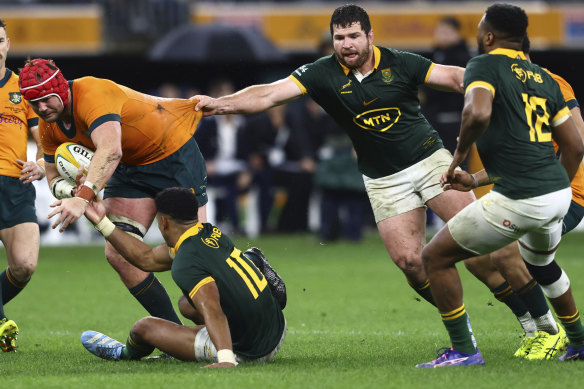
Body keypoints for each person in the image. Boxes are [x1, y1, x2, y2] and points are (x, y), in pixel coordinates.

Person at [193, 4, 533, 330]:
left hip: (430, 162)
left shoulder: (401, 62)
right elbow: (268, 94)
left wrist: (497, 88)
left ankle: (535, 322)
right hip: (383, 179)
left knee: (478, 248)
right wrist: (220, 105)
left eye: (354, 36)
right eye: (339, 38)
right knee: (411, 264)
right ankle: (462, 330)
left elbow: (457, 77)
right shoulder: (321, 73)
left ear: (370, 36)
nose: (347, 44)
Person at [417, 3, 584, 367]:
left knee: (438, 256)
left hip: (563, 189)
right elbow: (540, 150)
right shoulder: (538, 79)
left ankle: (489, 345)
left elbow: (477, 115)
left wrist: (459, 154)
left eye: (479, 30)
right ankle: (564, 336)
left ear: (489, 37)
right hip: (550, 188)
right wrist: (477, 178)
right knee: (499, 262)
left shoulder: (493, 68)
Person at [18, 58, 208, 327]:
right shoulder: (48, 123)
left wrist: (82, 198)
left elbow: (110, 150)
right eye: (34, 103)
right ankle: (174, 333)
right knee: (118, 253)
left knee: (194, 251)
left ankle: (220, 329)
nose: (41, 108)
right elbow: (51, 177)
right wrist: (72, 190)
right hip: (130, 169)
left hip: (171, 154)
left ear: (60, 89)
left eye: (46, 99)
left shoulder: (92, 92)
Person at [73, 187, 286, 367]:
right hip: (276, 326)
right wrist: (101, 222)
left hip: (251, 351)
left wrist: (226, 359)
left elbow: (212, 308)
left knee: (143, 328)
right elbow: (146, 258)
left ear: (163, 222)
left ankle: (123, 354)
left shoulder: (186, 262)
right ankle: (253, 260)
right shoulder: (210, 232)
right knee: (186, 304)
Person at [0, 19, 42, 352]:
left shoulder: (22, 88)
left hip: (16, 185)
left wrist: (41, 164)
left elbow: (45, 139)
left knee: (24, 266)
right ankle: (1, 323)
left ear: (8, 44)